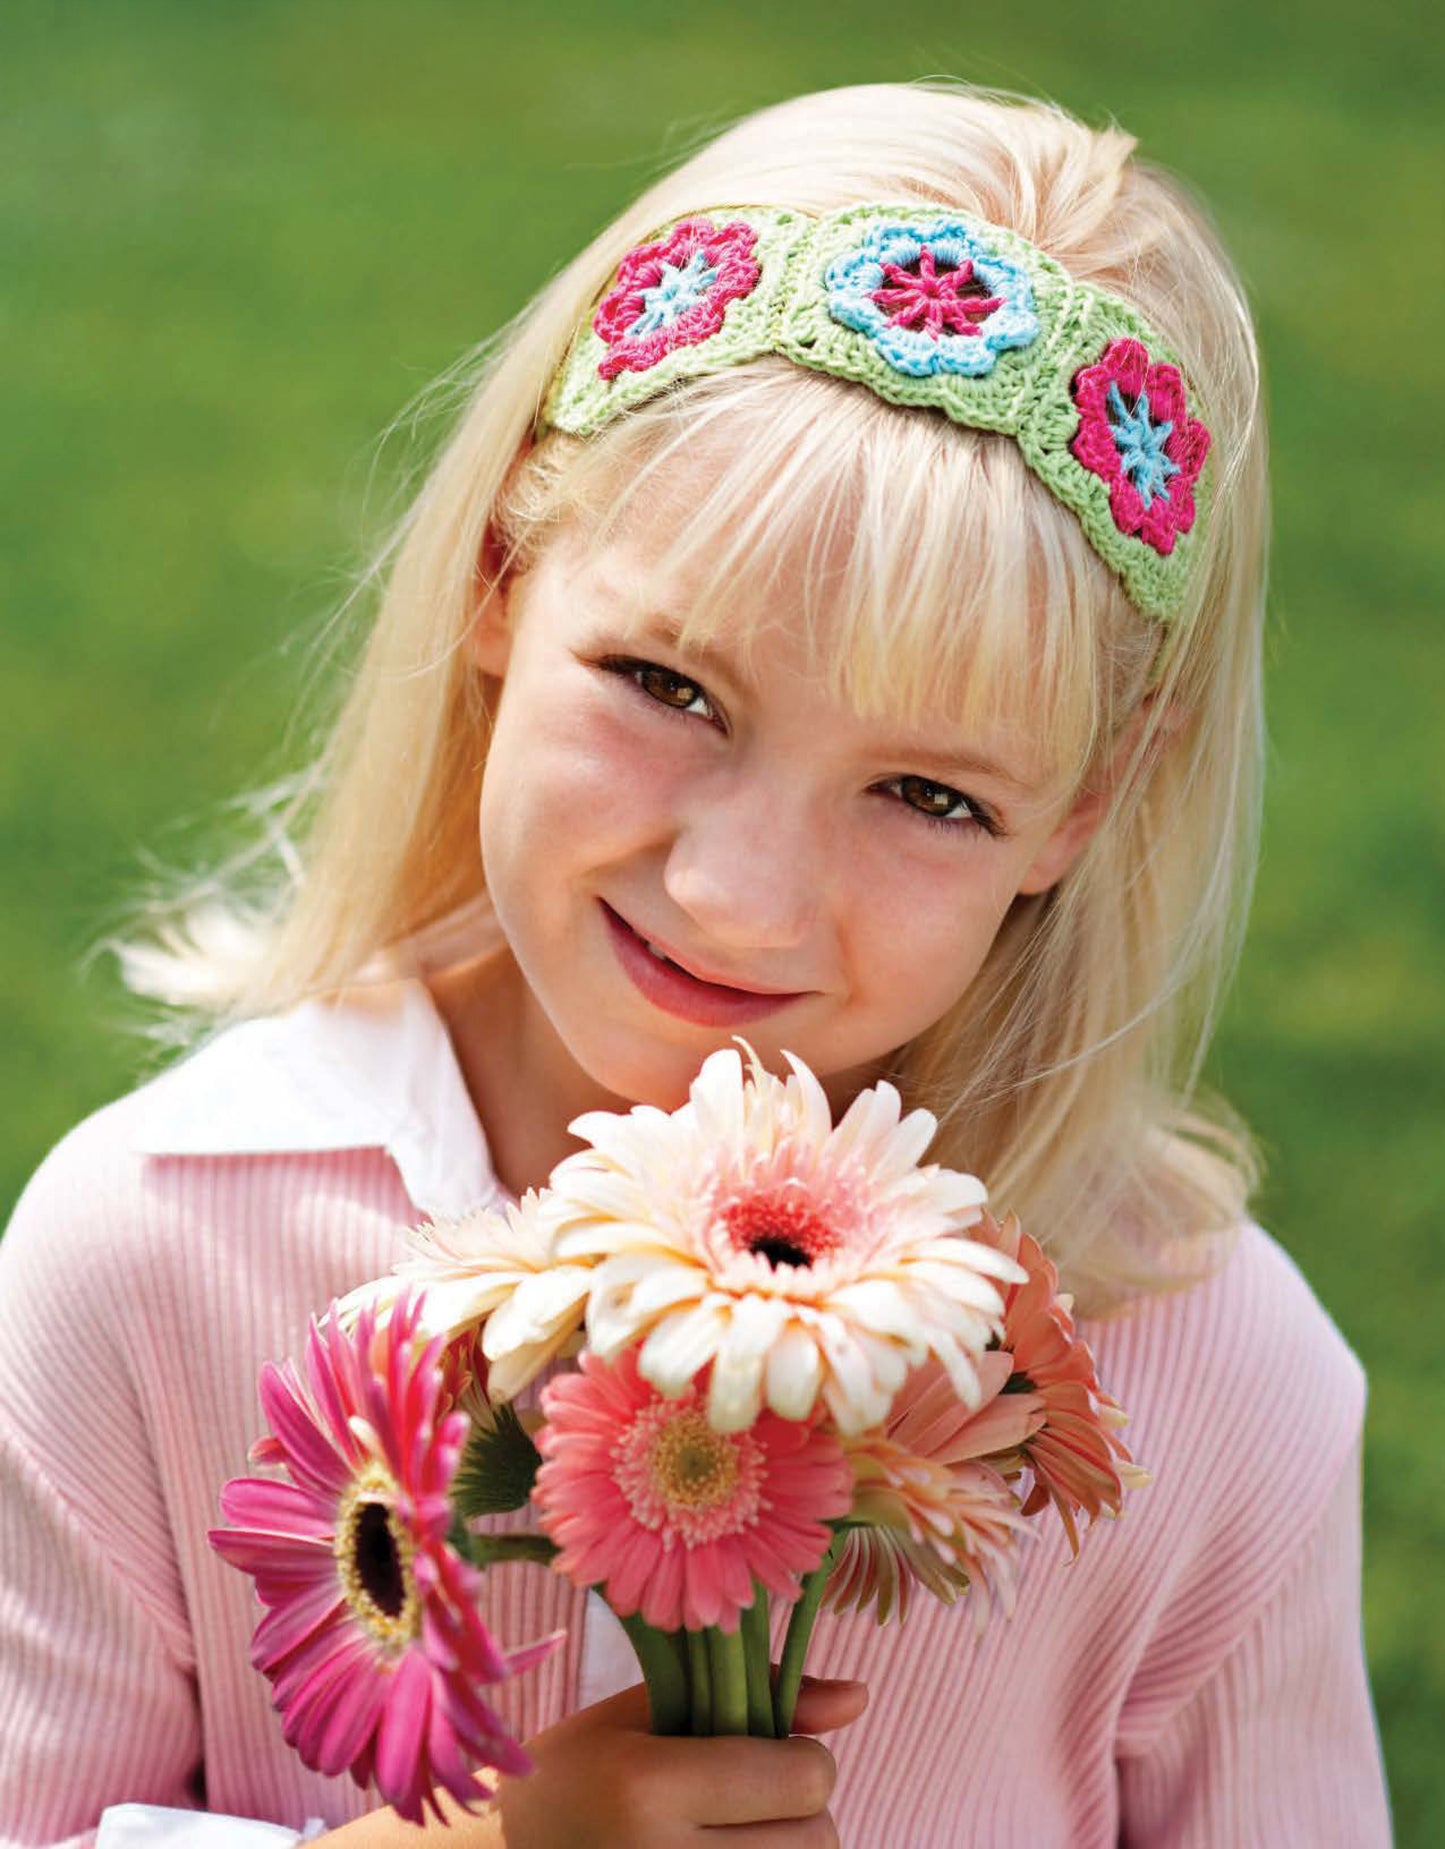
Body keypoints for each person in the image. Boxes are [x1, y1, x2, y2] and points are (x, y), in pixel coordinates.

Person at [0, 78, 1393, 1848]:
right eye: (669, 689)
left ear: (1083, 811)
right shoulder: (152, 1254)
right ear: (506, 569)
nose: (736, 897)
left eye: (926, 792)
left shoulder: (1202, 1383)